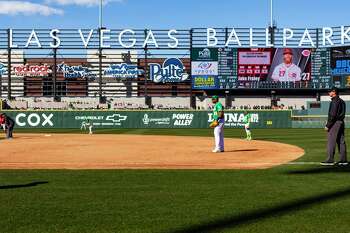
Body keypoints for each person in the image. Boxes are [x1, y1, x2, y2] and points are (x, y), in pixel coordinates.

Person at [321, 87, 348, 166]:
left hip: (335, 123)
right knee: (341, 141)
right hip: (341, 122)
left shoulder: (334, 101)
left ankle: (330, 160)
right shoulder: (342, 101)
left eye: (330, 91)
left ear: (334, 92)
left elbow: (333, 115)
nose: (328, 93)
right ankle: (343, 160)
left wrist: (328, 125)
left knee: (331, 141)